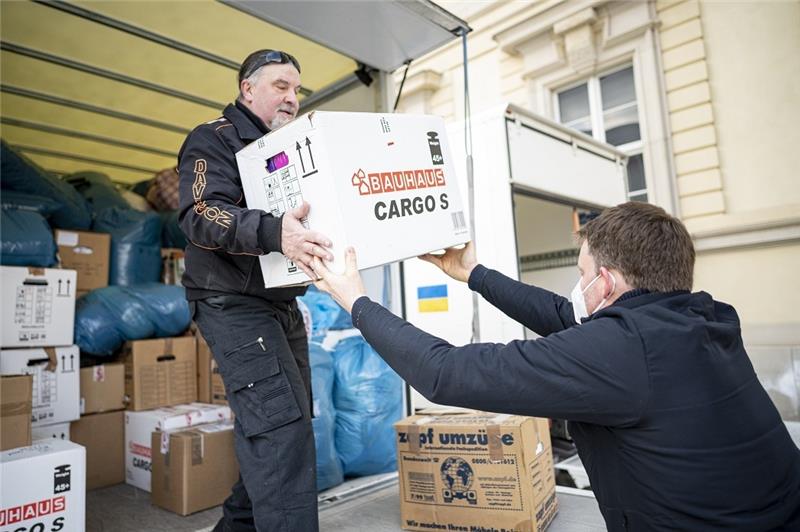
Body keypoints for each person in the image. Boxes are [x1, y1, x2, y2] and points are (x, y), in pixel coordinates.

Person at [312, 202, 800, 531]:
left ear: (605, 283)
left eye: (583, 274)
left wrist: (355, 299)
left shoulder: (622, 352)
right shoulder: (703, 318)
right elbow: (567, 317)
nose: (579, 283)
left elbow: (444, 372)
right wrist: (472, 275)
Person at [178, 49, 332, 532]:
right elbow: (200, 213)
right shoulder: (213, 139)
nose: (293, 97)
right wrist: (273, 233)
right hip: (230, 301)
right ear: (248, 89)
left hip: (279, 304)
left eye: (297, 89)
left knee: (285, 425)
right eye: (281, 86)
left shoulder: (286, 147)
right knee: (280, 429)